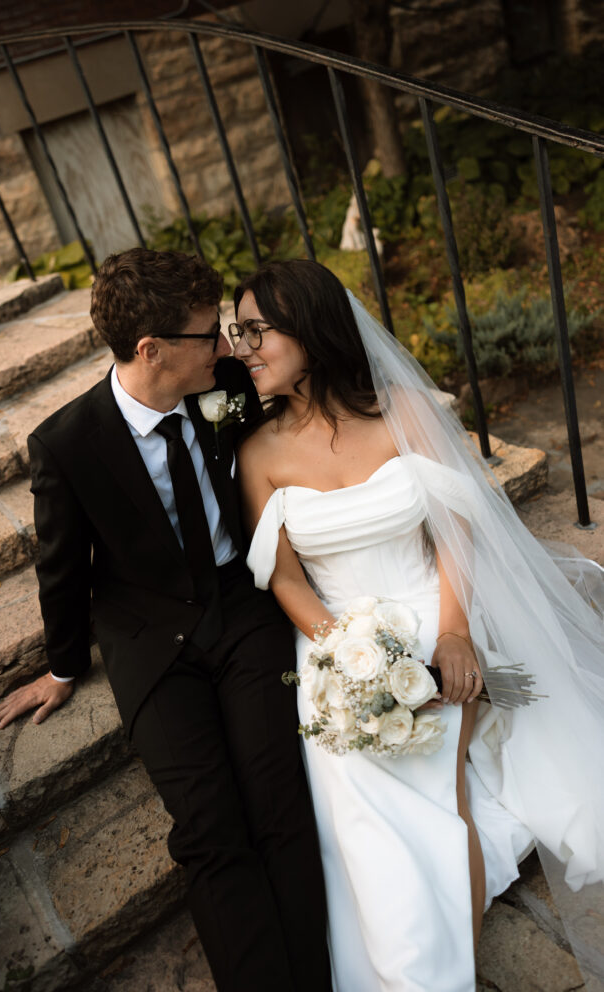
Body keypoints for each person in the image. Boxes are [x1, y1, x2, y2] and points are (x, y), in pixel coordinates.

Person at [231, 258, 604, 992]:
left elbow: (455, 530)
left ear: (307, 330)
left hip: (438, 612)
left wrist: (454, 635)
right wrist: (348, 657)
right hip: (334, 646)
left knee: (441, 795)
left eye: (254, 331)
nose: (240, 347)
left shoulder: (403, 410)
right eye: (233, 332)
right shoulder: (257, 453)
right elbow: (282, 575)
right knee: (362, 814)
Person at [0, 248, 332, 992]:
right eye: (206, 333)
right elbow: (62, 565)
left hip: (242, 607)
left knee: (279, 806)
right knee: (208, 830)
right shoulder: (67, 442)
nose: (224, 346)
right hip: (149, 637)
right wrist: (62, 664)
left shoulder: (227, 385)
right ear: (150, 351)